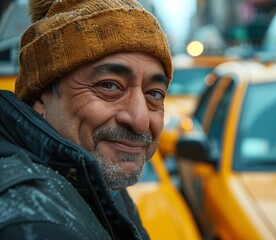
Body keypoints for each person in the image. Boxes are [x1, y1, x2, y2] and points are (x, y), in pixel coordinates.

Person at [0, 0, 172, 239]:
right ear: (41, 96)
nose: (140, 121)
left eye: (154, 93)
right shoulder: (31, 220)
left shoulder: (94, 175)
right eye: (109, 86)